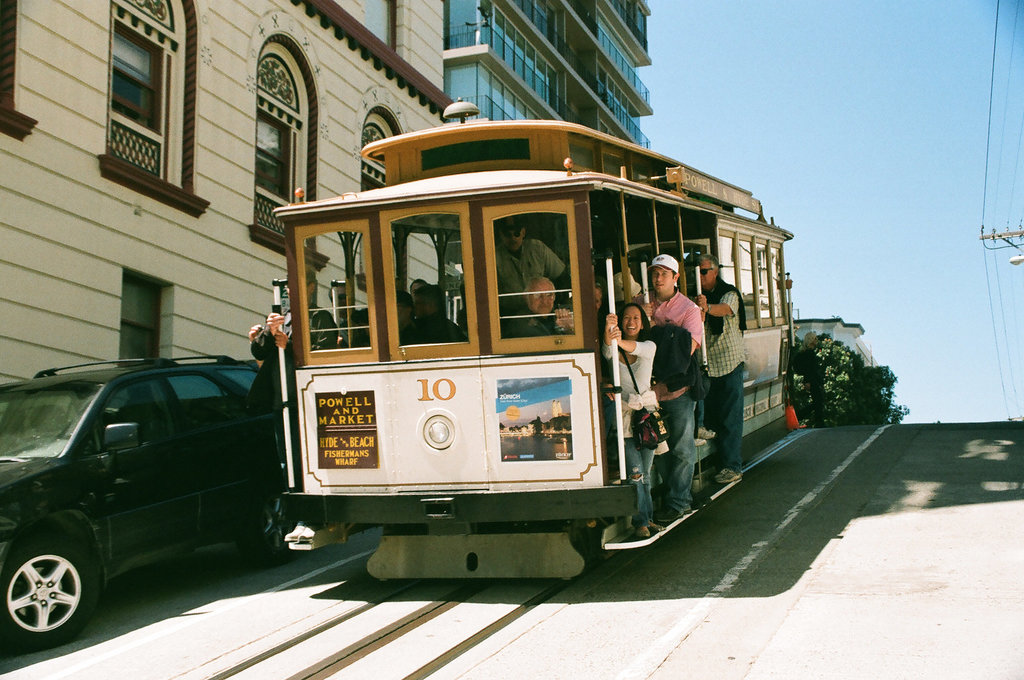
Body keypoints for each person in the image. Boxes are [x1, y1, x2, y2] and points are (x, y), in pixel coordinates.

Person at [638, 254, 704, 524]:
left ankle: (679, 502)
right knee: (657, 446)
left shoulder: (689, 309)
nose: (658, 278)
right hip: (647, 391)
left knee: (681, 448)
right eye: (655, 273)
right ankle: (672, 494)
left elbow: (688, 351)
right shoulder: (640, 304)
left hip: (677, 391)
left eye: (664, 273)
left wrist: (655, 330)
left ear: (676, 277)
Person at [602, 303, 662, 538]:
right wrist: (608, 327)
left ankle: (647, 519)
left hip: (645, 416)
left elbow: (630, 347)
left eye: (636, 317)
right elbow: (608, 347)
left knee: (645, 473)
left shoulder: (649, 346)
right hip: (625, 416)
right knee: (636, 473)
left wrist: (616, 337)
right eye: (626, 317)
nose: (630, 322)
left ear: (642, 322)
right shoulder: (613, 348)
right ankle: (641, 523)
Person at [695, 253, 747, 484]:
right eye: (696, 272)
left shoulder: (730, 293)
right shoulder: (695, 299)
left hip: (729, 362)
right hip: (707, 366)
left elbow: (726, 309)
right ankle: (718, 462)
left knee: (730, 419)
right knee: (711, 419)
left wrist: (706, 308)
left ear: (715, 272)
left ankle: (732, 466)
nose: (700, 276)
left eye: (704, 271)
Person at [495, 219, 566, 316]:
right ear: (501, 235)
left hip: (543, 312)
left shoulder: (537, 248)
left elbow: (562, 277)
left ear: (523, 232)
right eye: (508, 235)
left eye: (516, 234)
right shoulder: (494, 257)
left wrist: (558, 306)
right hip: (511, 316)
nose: (513, 238)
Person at [503, 277, 574, 337]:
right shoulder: (518, 324)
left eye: (549, 295)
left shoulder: (567, 312)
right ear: (526, 298)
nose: (544, 301)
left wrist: (569, 329)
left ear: (554, 297)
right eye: (537, 295)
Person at [792, 331, 824, 427]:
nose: (816, 341)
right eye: (814, 338)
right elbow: (809, 369)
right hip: (812, 379)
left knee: (818, 401)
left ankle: (818, 421)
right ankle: (800, 416)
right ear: (810, 340)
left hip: (813, 379)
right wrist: (808, 381)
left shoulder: (807, 353)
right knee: (818, 401)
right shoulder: (809, 354)